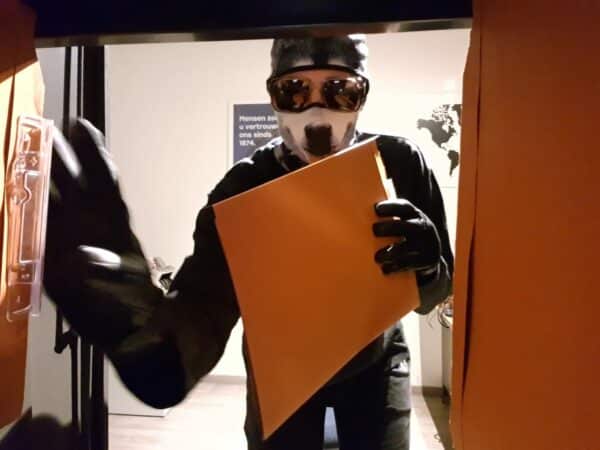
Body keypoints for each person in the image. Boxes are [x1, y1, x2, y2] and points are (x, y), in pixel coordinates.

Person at [44, 35, 453, 450]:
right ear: (273, 96)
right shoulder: (243, 188)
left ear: (363, 93)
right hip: (283, 371)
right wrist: (149, 344)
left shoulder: (400, 162)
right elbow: (203, 312)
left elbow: (434, 295)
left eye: (341, 90)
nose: (317, 113)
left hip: (376, 362)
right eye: (294, 90)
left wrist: (428, 267)